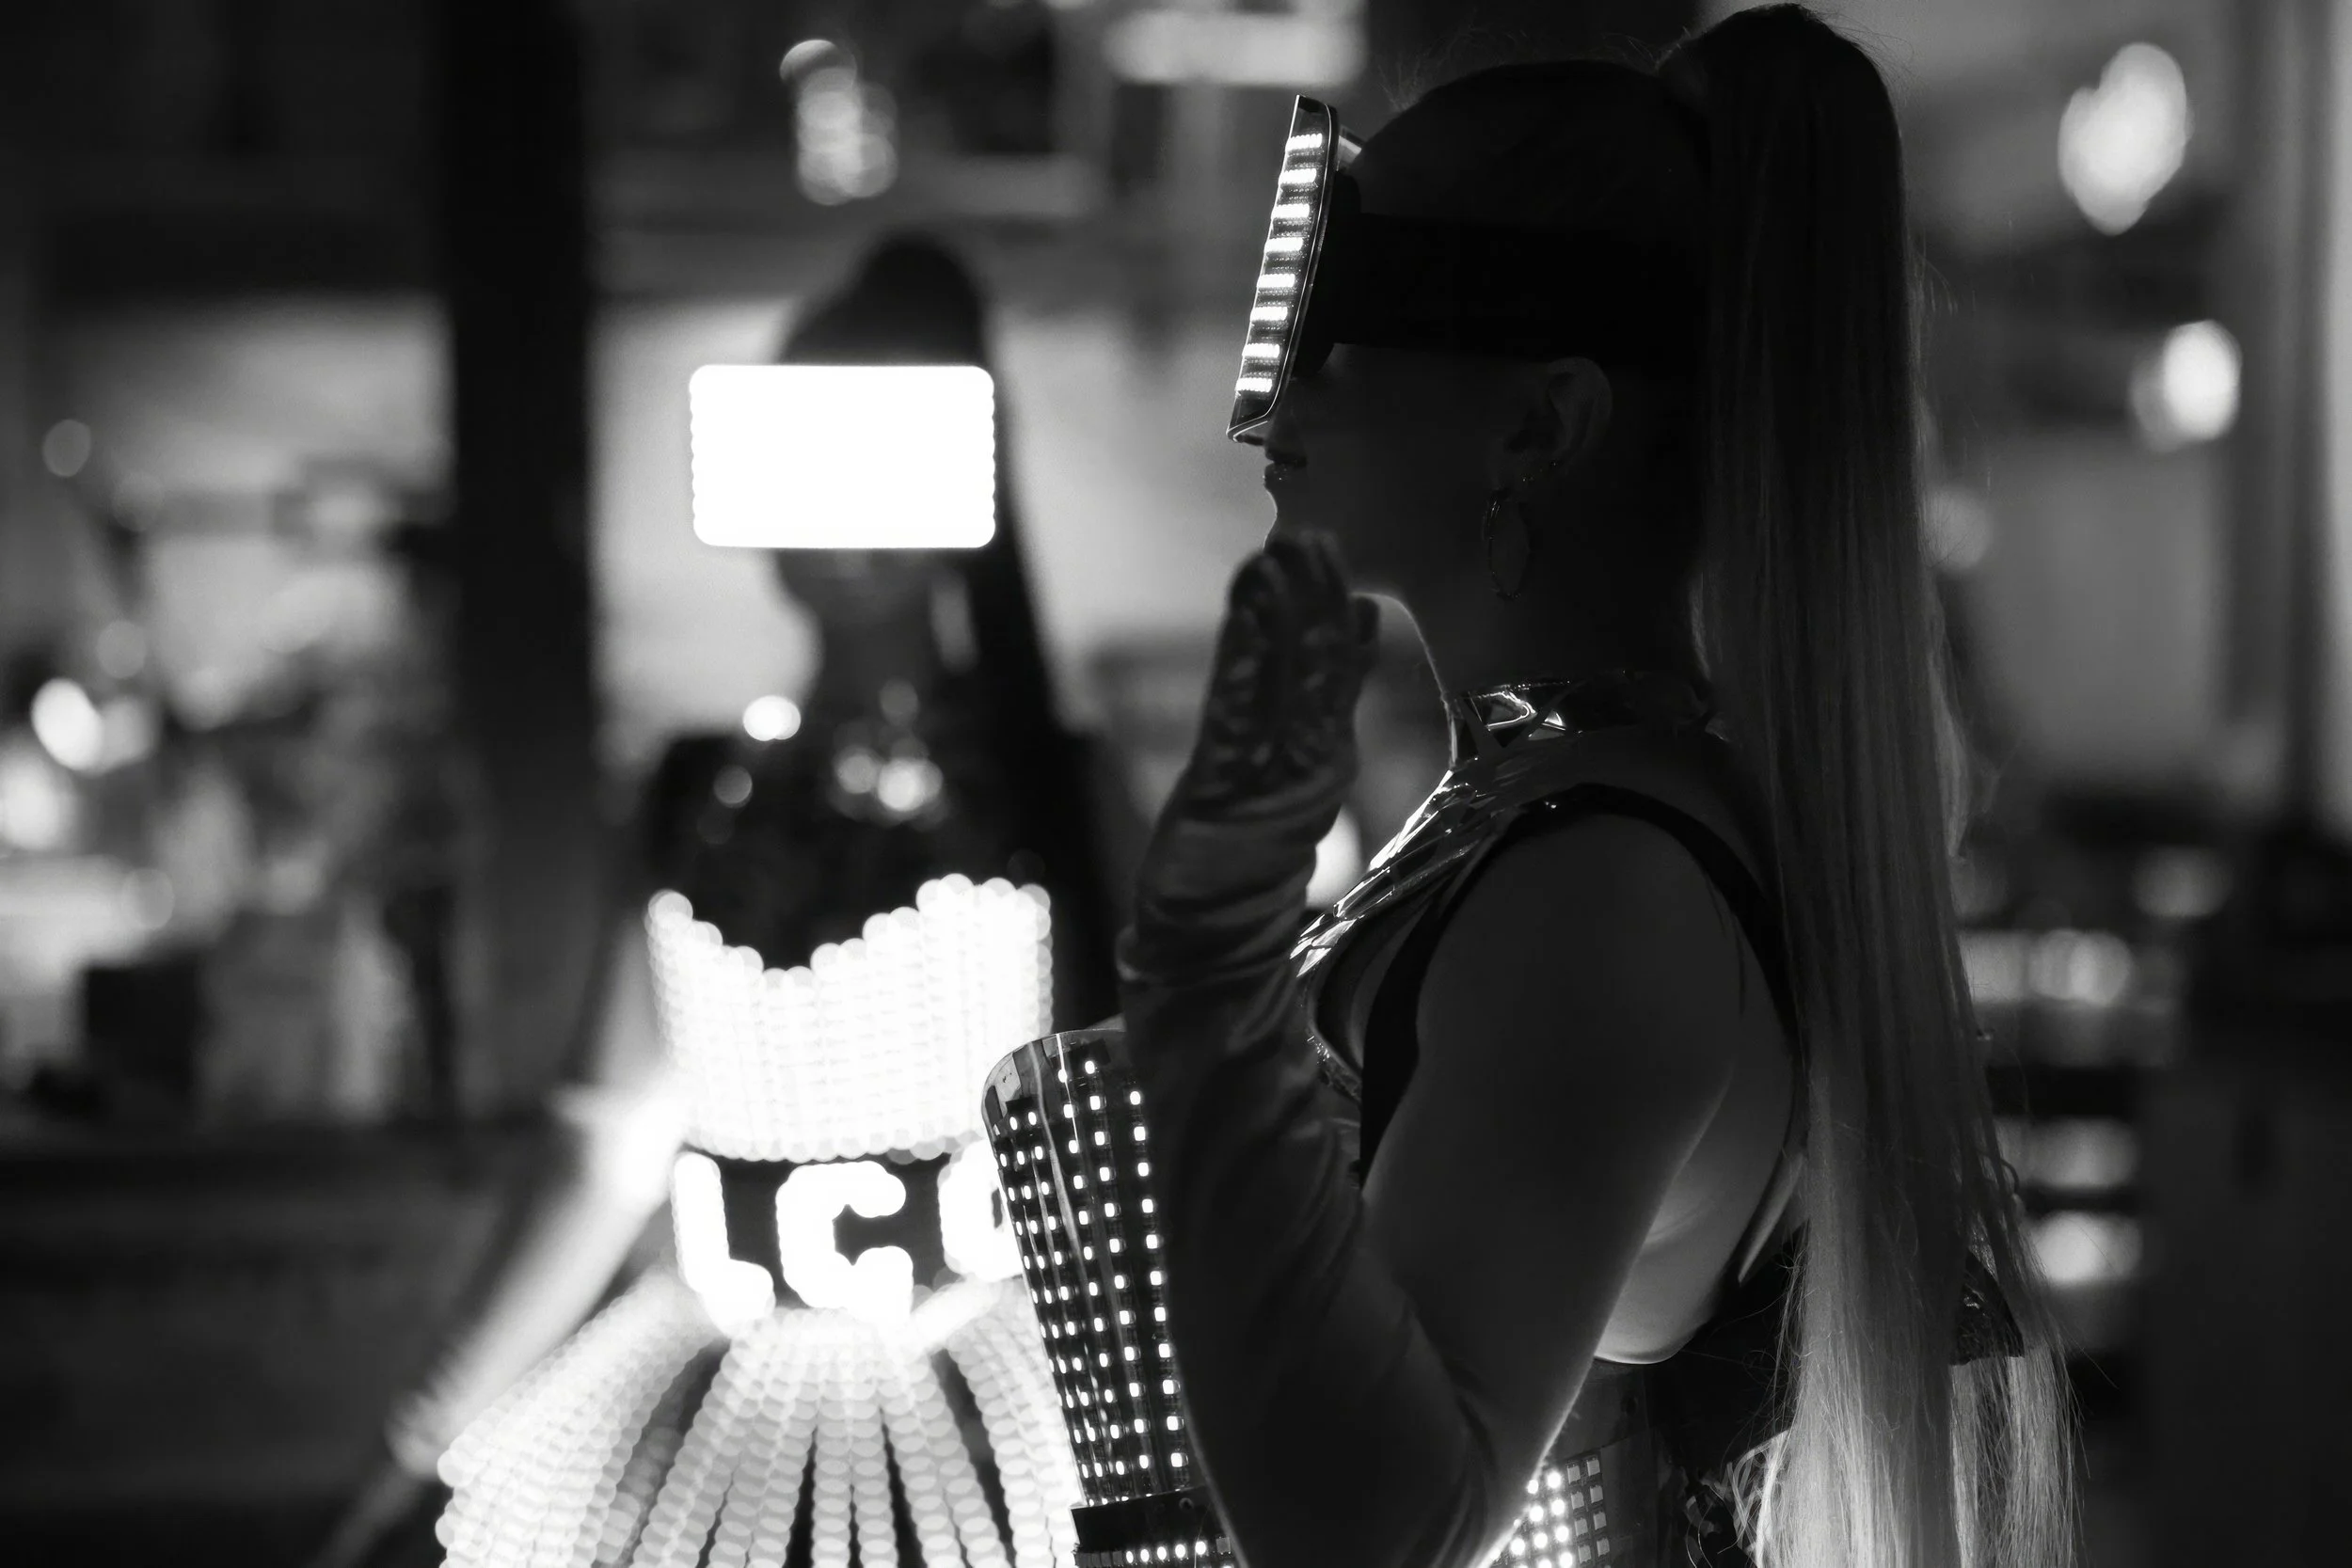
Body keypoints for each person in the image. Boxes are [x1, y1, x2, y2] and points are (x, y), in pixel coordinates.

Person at [1112, 9, 2079, 1568]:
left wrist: (1204, 971)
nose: (1278, 389)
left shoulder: (1602, 892)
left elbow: (1377, 1530)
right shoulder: (1553, 821)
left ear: (1542, 422)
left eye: (1337, 329)